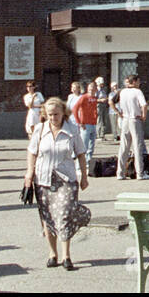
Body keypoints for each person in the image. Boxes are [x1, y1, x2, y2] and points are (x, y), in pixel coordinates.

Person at [24, 97, 90, 270]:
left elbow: (81, 153)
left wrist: (84, 175)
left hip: (66, 178)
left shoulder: (72, 130)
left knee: (64, 214)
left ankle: (66, 255)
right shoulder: (40, 129)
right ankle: (52, 254)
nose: (53, 118)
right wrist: (30, 172)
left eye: (56, 114)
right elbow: (32, 152)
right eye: (50, 115)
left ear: (63, 113)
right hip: (43, 178)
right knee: (47, 218)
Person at [116, 73, 149, 180]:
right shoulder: (137, 91)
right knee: (137, 146)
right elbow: (143, 104)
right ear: (134, 82)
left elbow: (117, 103)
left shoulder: (123, 92)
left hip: (125, 119)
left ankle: (120, 173)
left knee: (124, 147)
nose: (139, 84)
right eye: (138, 82)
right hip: (135, 119)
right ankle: (140, 173)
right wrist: (144, 116)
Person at [72, 81, 99, 164]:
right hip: (85, 124)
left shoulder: (95, 98)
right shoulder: (84, 97)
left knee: (92, 145)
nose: (91, 91)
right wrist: (79, 122)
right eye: (90, 89)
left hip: (93, 123)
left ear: (96, 90)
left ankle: (89, 161)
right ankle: (80, 164)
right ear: (87, 89)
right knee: (84, 145)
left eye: (93, 89)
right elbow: (75, 109)